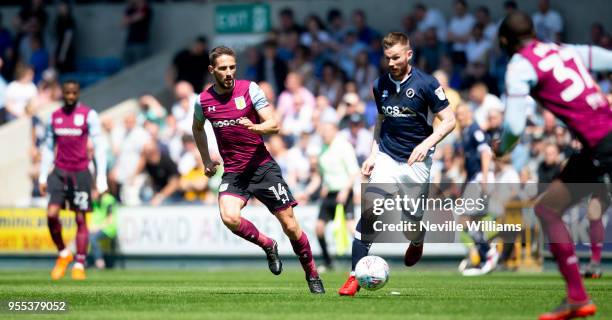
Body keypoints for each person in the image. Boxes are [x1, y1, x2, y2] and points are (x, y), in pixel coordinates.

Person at [496, 11, 612, 319]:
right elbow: (608, 60)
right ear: (533, 32)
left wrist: (502, 147)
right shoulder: (563, 50)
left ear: (504, 41)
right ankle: (576, 296)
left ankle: (577, 295)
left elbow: (515, 127)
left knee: (548, 210)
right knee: (547, 208)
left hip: (603, 142)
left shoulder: (520, 65)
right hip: (594, 145)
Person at [192, 46, 324, 293]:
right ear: (212, 70)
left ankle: (312, 274)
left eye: (232, 67)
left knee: (291, 226)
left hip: (262, 167)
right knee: (229, 217)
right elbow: (197, 128)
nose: (229, 72)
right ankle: (268, 244)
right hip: (234, 172)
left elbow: (274, 124)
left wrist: (256, 128)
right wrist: (206, 160)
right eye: (223, 68)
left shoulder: (250, 89)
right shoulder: (203, 101)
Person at [338, 32, 456, 296]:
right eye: (387, 58)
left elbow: (449, 120)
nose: (391, 63)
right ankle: (354, 276)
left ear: (408, 54)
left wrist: (426, 144)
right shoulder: (380, 84)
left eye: (396, 57)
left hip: (417, 162)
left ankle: (417, 239)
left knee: (409, 224)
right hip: (387, 157)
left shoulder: (427, 84)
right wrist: (372, 153)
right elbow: (381, 121)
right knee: (371, 214)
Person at [38, 80, 107, 280]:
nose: (70, 96)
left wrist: (100, 176)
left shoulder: (88, 115)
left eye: (73, 92)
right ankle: (63, 253)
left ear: (78, 93)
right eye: (67, 92)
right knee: (51, 214)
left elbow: (99, 146)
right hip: (60, 172)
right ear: (62, 93)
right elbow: (49, 148)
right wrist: (43, 175)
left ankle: (79, 263)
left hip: (81, 172)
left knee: (80, 218)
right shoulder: (54, 118)